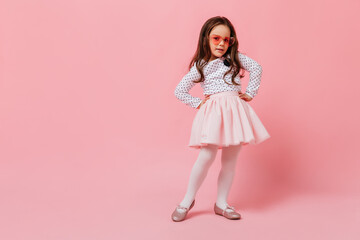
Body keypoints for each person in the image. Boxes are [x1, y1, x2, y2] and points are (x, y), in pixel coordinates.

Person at [171, 16, 271, 222]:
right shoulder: (201, 65)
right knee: (206, 157)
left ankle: (222, 203)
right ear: (206, 38)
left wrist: (251, 92)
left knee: (230, 162)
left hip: (235, 113)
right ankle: (187, 200)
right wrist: (199, 103)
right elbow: (180, 90)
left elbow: (257, 68)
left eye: (227, 40)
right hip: (214, 114)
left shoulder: (236, 58)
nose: (222, 44)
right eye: (216, 38)